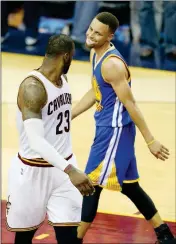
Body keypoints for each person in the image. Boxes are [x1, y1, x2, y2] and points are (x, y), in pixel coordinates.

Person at [71, 12, 175, 244]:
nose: (90, 35)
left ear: (110, 36)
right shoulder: (94, 54)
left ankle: (74, 239)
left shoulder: (112, 65)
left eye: (97, 33)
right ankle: (165, 235)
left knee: (91, 184)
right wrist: (72, 114)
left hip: (114, 132)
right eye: (90, 29)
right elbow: (96, 90)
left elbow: (131, 104)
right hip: (110, 130)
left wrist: (150, 140)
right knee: (130, 186)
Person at [6, 34, 94, 244]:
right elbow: (35, 141)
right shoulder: (32, 88)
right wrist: (71, 170)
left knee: (69, 238)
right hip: (33, 170)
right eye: (72, 57)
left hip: (63, 171)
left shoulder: (63, 79)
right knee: (24, 236)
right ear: (66, 56)